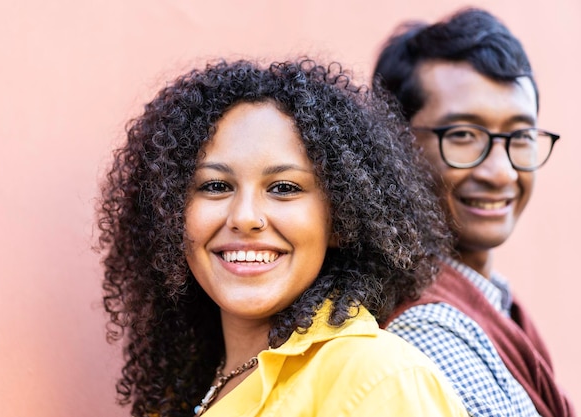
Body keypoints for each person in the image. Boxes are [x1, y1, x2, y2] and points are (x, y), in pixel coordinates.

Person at [97, 58, 469, 417]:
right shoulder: (186, 388)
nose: (244, 217)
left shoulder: (381, 381)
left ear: (341, 219)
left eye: (284, 187)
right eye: (215, 185)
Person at [373, 7, 575, 417]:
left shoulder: (494, 300)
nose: (501, 172)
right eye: (463, 135)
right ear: (391, 143)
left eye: (520, 136)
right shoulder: (427, 330)